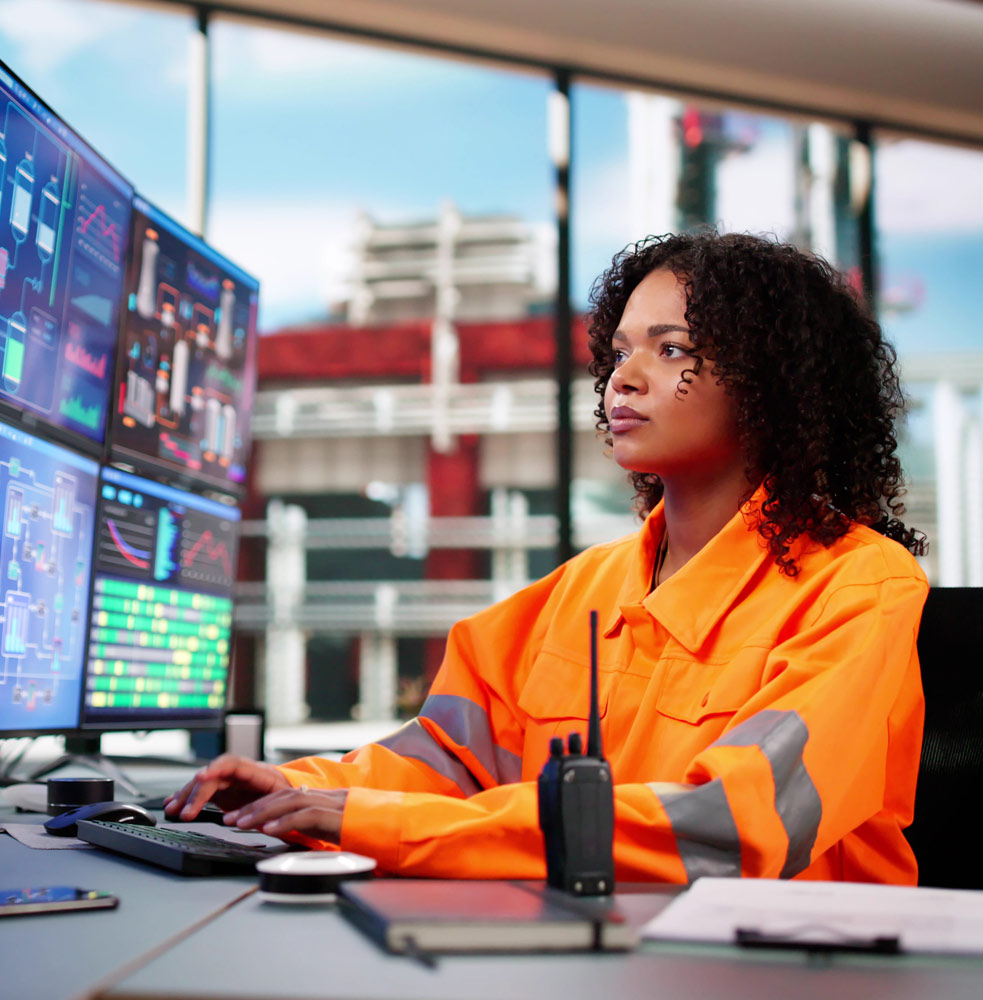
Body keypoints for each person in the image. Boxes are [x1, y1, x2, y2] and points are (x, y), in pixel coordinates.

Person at [167, 231, 928, 884]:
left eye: (672, 351)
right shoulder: (580, 591)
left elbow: (729, 826)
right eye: (620, 351)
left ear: (773, 385)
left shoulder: (860, 585)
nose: (622, 379)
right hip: (586, 950)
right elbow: (445, 762)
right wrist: (295, 787)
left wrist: (379, 823)